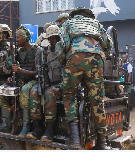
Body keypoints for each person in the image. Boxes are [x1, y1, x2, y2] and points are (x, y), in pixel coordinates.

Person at [59, 7, 113, 149]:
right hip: (96, 59)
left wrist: (64, 61)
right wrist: (101, 56)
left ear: (74, 15)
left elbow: (63, 45)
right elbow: (109, 44)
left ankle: (75, 140)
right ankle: (102, 142)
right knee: (97, 100)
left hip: (75, 57)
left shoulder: (68, 23)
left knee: (68, 94)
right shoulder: (97, 24)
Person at [0, 26, 40, 136]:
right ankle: (6, 125)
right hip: (20, 79)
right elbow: (15, 68)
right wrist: (12, 77)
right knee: (2, 91)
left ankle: (26, 126)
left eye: (18, 37)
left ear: (25, 38)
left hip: (33, 81)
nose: (16, 40)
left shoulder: (36, 50)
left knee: (24, 92)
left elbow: (37, 72)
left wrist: (21, 71)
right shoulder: (19, 51)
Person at [26, 25, 62, 142]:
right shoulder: (46, 52)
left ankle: (49, 130)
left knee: (49, 94)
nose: (53, 41)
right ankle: (37, 128)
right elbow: (44, 69)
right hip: (50, 83)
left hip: (63, 84)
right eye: (51, 38)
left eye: (55, 38)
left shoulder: (64, 50)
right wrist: (45, 83)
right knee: (34, 91)